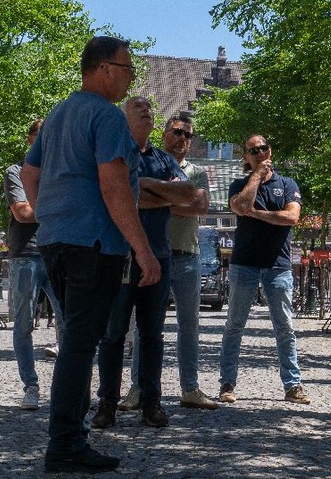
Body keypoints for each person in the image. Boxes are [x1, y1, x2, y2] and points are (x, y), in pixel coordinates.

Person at [21, 36, 161, 475]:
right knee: (81, 346)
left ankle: (68, 437)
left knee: (74, 340)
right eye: (127, 69)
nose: (130, 78)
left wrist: (49, 213)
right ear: (103, 68)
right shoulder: (106, 116)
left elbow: (29, 173)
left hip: (56, 240)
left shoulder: (60, 112)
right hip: (93, 245)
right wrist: (144, 252)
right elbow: (114, 187)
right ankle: (65, 444)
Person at [91, 97, 196, 429]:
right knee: (113, 334)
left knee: (152, 334)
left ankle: (151, 402)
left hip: (159, 257)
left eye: (151, 111)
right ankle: (107, 402)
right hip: (118, 257)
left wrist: (140, 186)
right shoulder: (113, 153)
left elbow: (188, 194)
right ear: (125, 119)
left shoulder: (164, 159)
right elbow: (110, 195)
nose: (148, 114)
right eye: (139, 110)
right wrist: (156, 195)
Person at [118, 114, 218, 412]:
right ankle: (137, 389)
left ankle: (190, 388)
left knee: (190, 326)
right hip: (149, 254)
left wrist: (156, 195)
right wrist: (174, 195)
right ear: (164, 134)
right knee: (145, 327)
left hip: (187, 255)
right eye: (177, 132)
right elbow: (131, 198)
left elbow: (199, 206)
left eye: (188, 135)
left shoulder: (197, 172)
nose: (182, 139)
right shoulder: (148, 163)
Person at [218, 134, 310, 405]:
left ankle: (293, 385)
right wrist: (256, 177)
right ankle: (227, 383)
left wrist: (257, 214)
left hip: (278, 266)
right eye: (253, 151)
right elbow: (241, 205)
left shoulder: (287, 184)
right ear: (245, 157)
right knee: (234, 325)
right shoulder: (238, 183)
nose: (260, 153)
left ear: (271, 150)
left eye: (263, 148)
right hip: (244, 264)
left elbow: (292, 217)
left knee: (284, 327)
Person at [4, 119, 63, 410]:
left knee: (68, 323)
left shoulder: (60, 173)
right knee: (24, 325)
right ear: (30, 140)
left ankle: (67, 389)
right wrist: (59, 208)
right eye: (39, 136)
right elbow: (23, 213)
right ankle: (31, 386)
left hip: (57, 253)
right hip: (26, 255)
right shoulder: (15, 172)